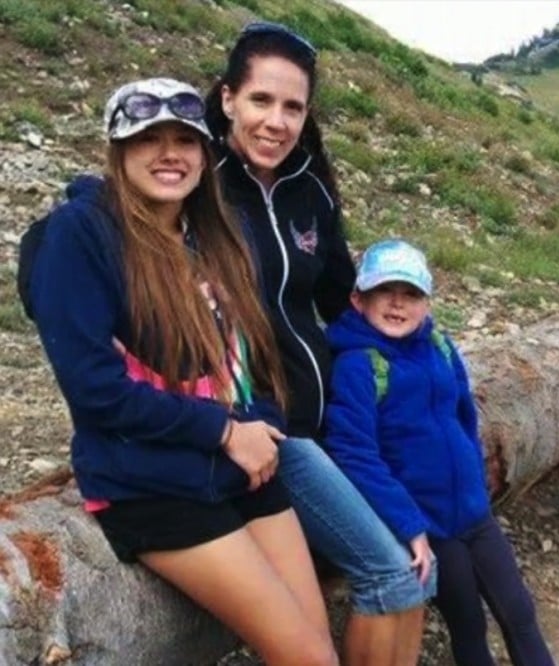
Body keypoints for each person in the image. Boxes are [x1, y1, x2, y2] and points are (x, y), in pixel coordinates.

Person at [27, 76, 339, 666]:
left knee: (316, 641)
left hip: (236, 466)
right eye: (149, 138)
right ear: (118, 150)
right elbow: (95, 391)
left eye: (185, 140)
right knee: (308, 657)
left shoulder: (216, 235)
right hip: (149, 480)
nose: (169, 153)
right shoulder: (82, 235)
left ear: (204, 151)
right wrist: (223, 431)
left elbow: (255, 358)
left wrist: (261, 426)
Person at [205, 22, 435, 666]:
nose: (277, 122)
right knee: (390, 574)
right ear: (228, 99)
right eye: (261, 101)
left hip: (329, 417)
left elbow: (339, 291)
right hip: (269, 434)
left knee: (423, 569)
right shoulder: (197, 188)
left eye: (293, 107)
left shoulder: (308, 187)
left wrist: (412, 349)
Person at [323, 238, 556, 666]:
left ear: (427, 303)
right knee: (467, 623)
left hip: (474, 514)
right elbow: (354, 452)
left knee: (519, 611)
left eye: (411, 293)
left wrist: (474, 482)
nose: (397, 304)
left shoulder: (441, 349)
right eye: (384, 292)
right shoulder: (359, 364)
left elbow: (464, 417)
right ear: (359, 299)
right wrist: (408, 524)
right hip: (428, 528)